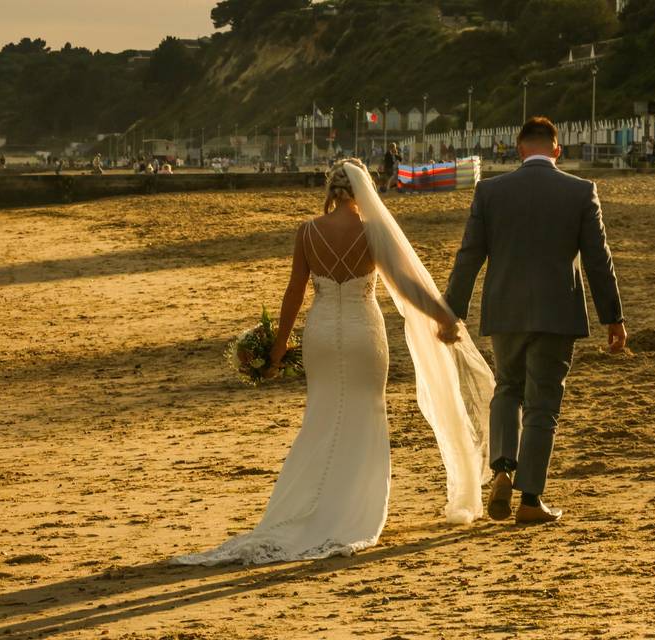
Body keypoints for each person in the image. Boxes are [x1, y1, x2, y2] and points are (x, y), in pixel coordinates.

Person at [172, 159, 494, 565]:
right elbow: (408, 285)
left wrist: (277, 349)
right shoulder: (374, 232)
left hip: (321, 333)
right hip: (363, 333)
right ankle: (351, 510)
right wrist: (443, 316)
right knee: (364, 415)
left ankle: (310, 505)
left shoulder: (307, 232)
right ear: (363, 192)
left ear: (330, 191)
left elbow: (294, 294)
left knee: (322, 418)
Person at [445, 117, 626, 525]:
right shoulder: (580, 191)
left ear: (520, 149)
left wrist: (452, 309)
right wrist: (613, 317)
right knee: (543, 405)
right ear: (557, 150)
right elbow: (599, 260)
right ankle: (530, 499)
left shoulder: (490, 191)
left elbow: (469, 255)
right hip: (557, 313)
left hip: (505, 310)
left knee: (507, 389)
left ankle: (502, 469)